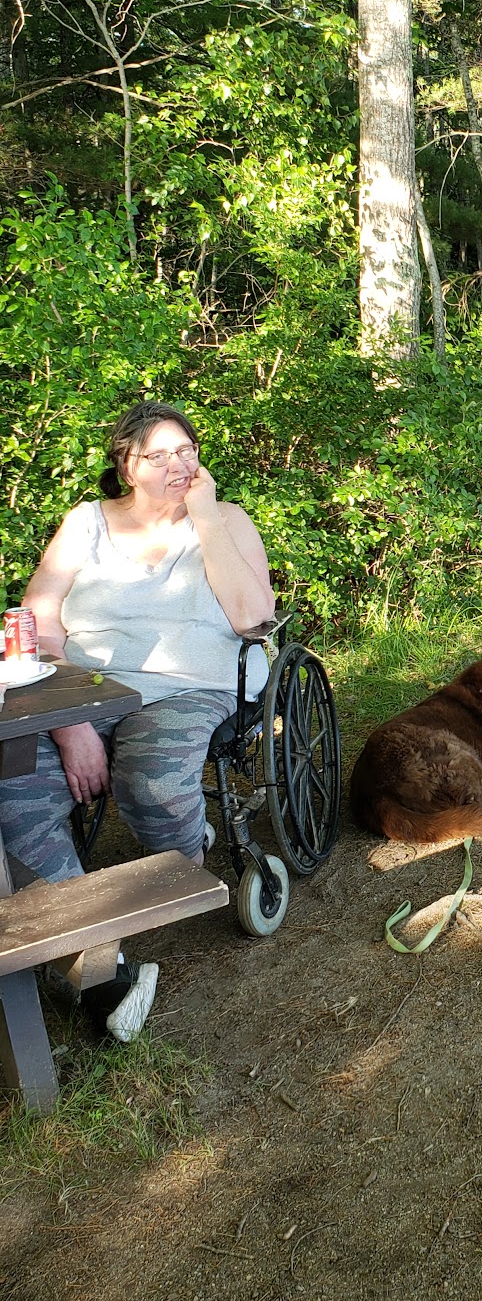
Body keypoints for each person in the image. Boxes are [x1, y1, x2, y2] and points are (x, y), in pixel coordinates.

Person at [0, 401, 275, 1039]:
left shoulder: (227, 519)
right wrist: (70, 725)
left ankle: (181, 857)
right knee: (12, 780)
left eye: (188, 451)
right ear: (126, 465)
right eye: (158, 455)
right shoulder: (86, 524)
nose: (179, 465)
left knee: (149, 779)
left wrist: (206, 519)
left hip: (193, 683)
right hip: (91, 687)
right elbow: (39, 618)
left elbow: (253, 619)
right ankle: (95, 963)